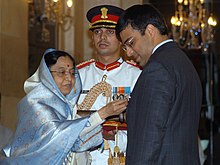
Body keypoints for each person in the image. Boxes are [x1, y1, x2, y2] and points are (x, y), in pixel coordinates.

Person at [0, 48, 128, 165]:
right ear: (47, 75)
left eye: (72, 73)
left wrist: (103, 135)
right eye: (61, 72)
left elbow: (74, 142)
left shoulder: (66, 104)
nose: (69, 78)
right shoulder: (36, 104)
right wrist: (103, 113)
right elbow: (60, 136)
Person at [115, 4, 203, 165]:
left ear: (150, 31)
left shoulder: (157, 68)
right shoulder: (182, 62)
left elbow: (148, 140)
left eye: (131, 43)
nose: (128, 53)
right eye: (125, 47)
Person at [76, 5, 142, 165]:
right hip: (83, 157)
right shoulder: (78, 75)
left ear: (121, 39)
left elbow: (144, 124)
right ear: (92, 38)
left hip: (121, 157)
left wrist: (116, 138)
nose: (102, 37)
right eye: (97, 32)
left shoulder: (137, 75)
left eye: (110, 32)